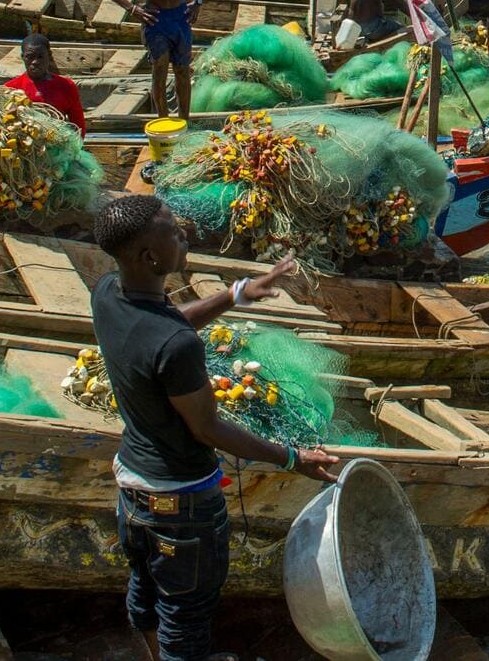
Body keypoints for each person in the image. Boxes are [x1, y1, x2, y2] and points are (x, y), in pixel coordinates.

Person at [89, 196, 337, 661]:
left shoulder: (106, 293)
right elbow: (208, 428)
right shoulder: (177, 347)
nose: (185, 235)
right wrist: (292, 458)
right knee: (185, 619)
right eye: (173, 232)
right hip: (180, 506)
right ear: (151, 256)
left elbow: (162, 325)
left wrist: (235, 294)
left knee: (145, 589)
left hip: (132, 490)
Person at [4, 33, 87, 135]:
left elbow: (79, 128)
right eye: (29, 57)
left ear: (50, 55)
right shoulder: (11, 89)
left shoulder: (66, 86)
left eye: (40, 57)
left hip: (58, 145)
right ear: (22, 57)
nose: (35, 62)